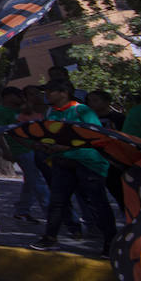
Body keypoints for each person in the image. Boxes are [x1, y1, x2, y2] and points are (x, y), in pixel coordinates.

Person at [32, 80, 115, 254]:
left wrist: (68, 147)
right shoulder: (52, 113)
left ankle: (111, 242)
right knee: (57, 202)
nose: (46, 95)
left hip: (87, 163)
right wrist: (44, 145)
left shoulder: (82, 111)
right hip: (62, 163)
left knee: (97, 203)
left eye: (50, 91)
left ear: (64, 93)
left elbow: (97, 137)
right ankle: (50, 238)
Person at [0, 87, 48, 221]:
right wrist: (5, 151)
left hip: (31, 147)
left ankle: (22, 209)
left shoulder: (21, 109)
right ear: (8, 96)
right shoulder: (0, 111)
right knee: (37, 180)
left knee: (31, 180)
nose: (21, 97)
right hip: (18, 149)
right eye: (18, 95)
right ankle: (49, 210)